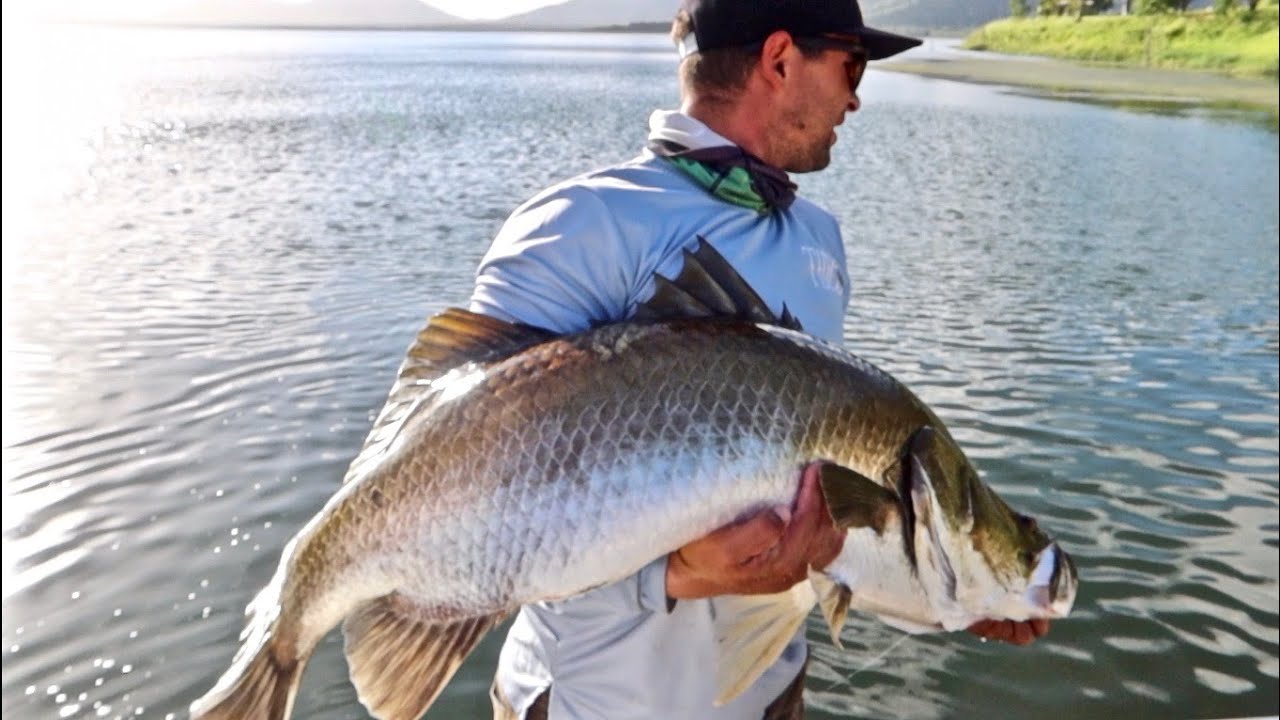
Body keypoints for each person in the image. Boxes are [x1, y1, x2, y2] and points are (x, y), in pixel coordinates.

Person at [468, 1, 1050, 718]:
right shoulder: (579, 223)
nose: (857, 97)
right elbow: (458, 500)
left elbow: (813, 521)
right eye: (851, 64)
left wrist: (954, 591)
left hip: (770, 698)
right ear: (779, 60)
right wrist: (671, 574)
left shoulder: (820, 240)